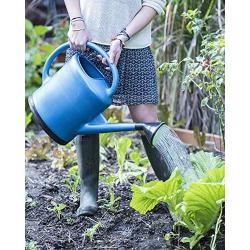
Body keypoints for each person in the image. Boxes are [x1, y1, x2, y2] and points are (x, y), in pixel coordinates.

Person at [64, 0, 170, 216]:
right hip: (85, 41)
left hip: (133, 46)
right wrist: (77, 24)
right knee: (86, 115)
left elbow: (155, 2)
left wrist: (122, 36)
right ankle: (88, 194)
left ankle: (174, 188)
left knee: (147, 120)